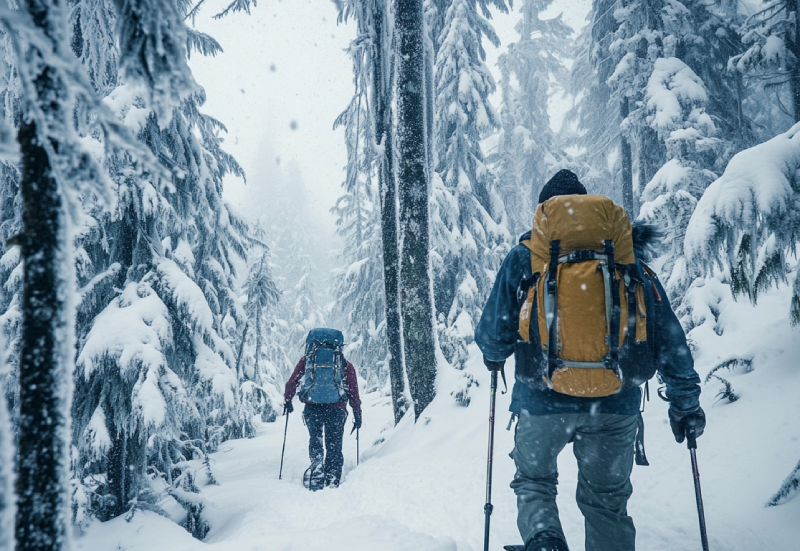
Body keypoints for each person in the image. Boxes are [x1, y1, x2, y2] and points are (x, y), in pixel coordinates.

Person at [475, 169, 705, 551]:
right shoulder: (624, 259)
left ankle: (545, 541)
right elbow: (667, 336)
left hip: (541, 400)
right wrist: (685, 403)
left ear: (545, 214)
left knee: (534, 482)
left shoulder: (526, 256)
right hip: (615, 402)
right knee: (607, 501)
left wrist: (496, 356)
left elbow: (492, 336)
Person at [284, 329, 362, 490]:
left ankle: (317, 463)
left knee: (316, 438)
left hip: (313, 407)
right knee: (334, 444)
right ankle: (332, 477)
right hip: (337, 408)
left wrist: (288, 400)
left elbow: (292, 382)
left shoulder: (307, 361)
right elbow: (353, 391)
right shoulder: (345, 365)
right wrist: (357, 413)